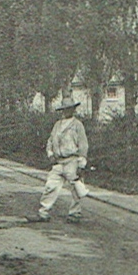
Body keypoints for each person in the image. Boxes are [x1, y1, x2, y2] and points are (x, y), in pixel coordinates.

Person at [25, 96, 90, 224]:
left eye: (69, 109)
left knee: (76, 188)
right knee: (50, 186)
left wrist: (81, 163)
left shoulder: (77, 125)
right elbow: (50, 141)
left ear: (73, 110)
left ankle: (75, 213)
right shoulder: (57, 125)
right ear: (62, 110)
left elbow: (83, 144)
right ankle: (43, 213)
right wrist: (50, 154)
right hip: (58, 161)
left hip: (72, 160)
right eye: (64, 109)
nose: (67, 111)